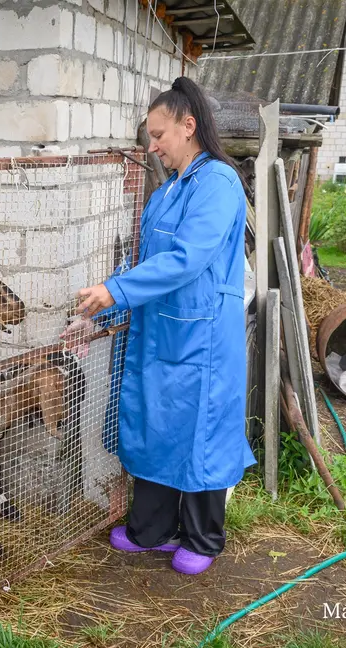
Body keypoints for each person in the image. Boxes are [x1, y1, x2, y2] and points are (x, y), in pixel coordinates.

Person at [61, 77, 255, 576]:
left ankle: (202, 538)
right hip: (161, 332)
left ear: (189, 127)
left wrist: (115, 292)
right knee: (158, 428)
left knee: (200, 433)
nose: (153, 145)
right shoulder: (168, 191)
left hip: (201, 335)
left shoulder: (218, 183)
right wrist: (101, 306)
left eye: (159, 133)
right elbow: (145, 261)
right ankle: (152, 530)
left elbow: (188, 259)